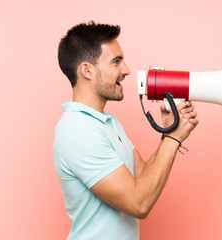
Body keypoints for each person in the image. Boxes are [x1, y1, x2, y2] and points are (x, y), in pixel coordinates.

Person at [53, 21, 199, 240]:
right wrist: (173, 138)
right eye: (116, 61)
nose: (127, 70)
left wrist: (169, 132)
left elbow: (141, 176)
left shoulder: (107, 122)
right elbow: (139, 203)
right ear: (87, 70)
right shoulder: (79, 132)